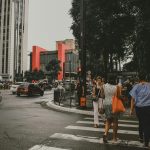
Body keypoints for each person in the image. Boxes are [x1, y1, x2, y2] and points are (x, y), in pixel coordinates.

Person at [130, 73, 150, 148]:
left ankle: (141, 137)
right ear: (146, 77)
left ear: (139, 78)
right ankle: (146, 141)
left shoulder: (136, 86)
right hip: (148, 107)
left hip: (139, 108)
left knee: (141, 122)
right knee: (147, 124)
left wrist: (131, 109)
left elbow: (132, 99)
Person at [103, 76, 122, 143]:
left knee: (108, 120)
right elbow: (119, 96)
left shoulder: (104, 86)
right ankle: (114, 138)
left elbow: (103, 95)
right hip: (114, 104)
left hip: (106, 104)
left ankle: (105, 134)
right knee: (115, 121)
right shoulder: (117, 87)